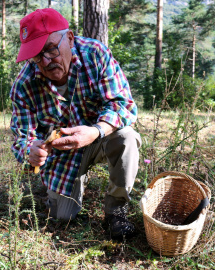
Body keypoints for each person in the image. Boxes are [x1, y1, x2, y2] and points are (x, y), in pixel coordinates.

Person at [10, 8, 142, 240]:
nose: (46, 61)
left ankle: (116, 210)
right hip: (61, 155)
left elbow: (123, 105)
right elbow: (22, 137)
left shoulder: (95, 54)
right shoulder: (25, 84)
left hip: (99, 138)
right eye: (37, 55)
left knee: (126, 137)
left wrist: (95, 131)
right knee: (63, 217)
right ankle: (65, 189)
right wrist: (29, 150)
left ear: (69, 38)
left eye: (50, 49)